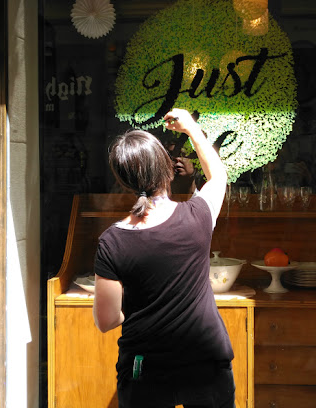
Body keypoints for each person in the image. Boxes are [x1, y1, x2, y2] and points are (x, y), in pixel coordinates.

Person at [92, 108, 235, 408]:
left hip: (145, 368)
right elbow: (218, 175)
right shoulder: (198, 215)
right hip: (206, 361)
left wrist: (137, 306)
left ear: (124, 182)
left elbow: (107, 320)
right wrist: (191, 128)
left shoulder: (112, 241)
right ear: (168, 170)